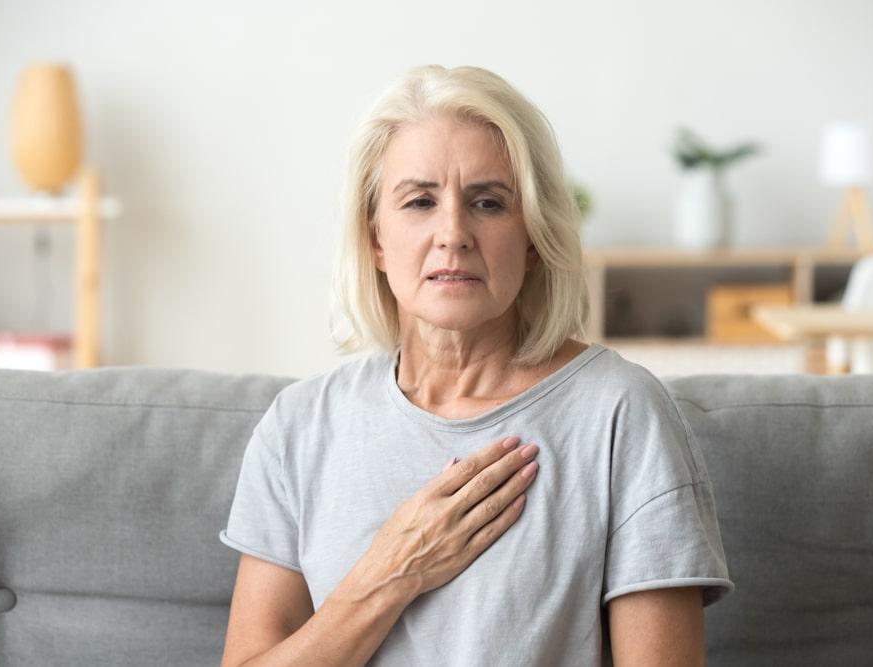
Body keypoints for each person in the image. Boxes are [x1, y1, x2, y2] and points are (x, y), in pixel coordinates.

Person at [218, 64, 733, 667]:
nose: (453, 233)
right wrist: (390, 575)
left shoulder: (620, 413)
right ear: (377, 239)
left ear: (535, 236)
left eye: (488, 203)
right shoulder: (299, 426)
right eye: (419, 201)